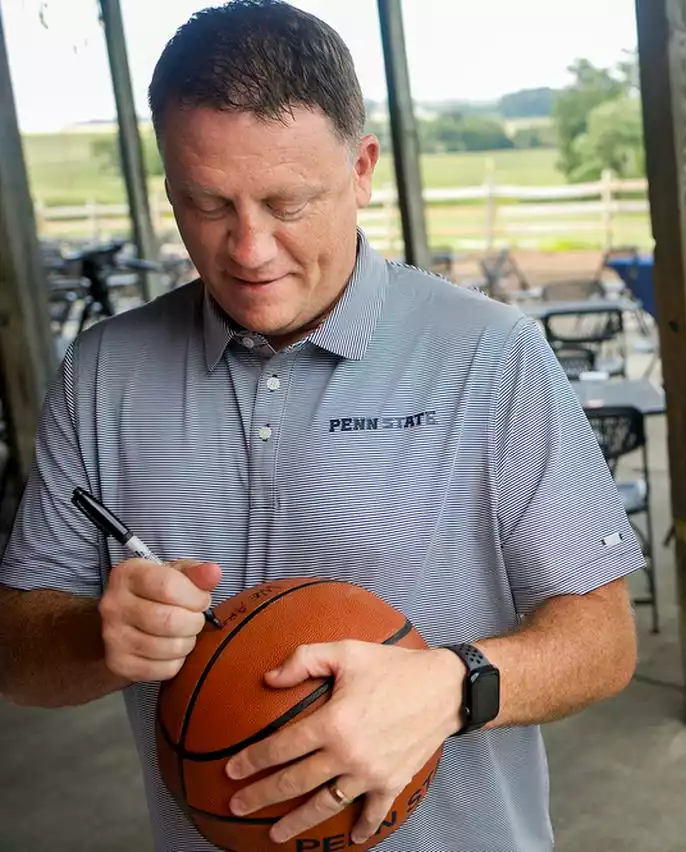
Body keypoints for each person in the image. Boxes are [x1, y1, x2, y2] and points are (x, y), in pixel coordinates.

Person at [0, 2, 643, 850]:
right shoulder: (103, 373)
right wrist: (97, 635)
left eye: (288, 201)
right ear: (170, 187)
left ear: (363, 167)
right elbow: (17, 652)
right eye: (207, 203)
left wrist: (452, 684)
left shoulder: (491, 354)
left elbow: (604, 641)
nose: (250, 248)